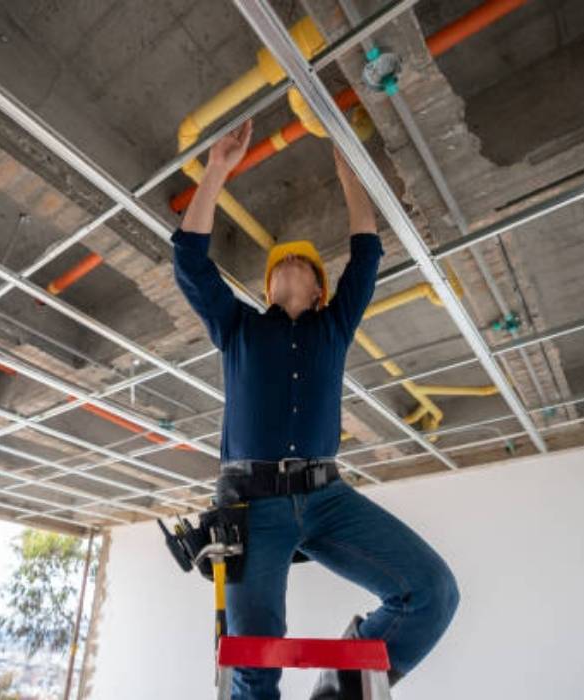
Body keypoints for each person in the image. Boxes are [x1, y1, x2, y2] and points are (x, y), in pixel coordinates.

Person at [171, 119, 460, 700]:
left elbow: (367, 253)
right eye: (280, 264)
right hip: (253, 505)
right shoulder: (239, 328)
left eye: (302, 263)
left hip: (329, 499)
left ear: (320, 290)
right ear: (268, 288)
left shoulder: (334, 327)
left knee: (433, 593)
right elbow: (190, 262)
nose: (289, 262)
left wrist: (350, 170)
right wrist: (217, 170)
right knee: (255, 659)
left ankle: (340, 690)